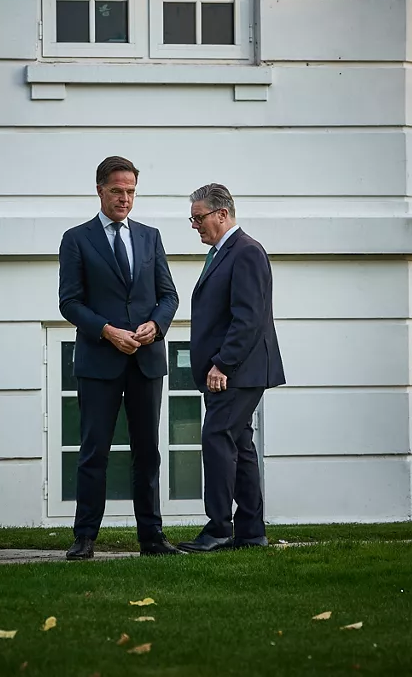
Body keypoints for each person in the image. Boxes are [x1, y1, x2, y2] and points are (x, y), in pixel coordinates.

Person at [58, 156, 182, 559]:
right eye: (117, 191)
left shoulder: (150, 236)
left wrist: (156, 326)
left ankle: (152, 538)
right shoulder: (76, 239)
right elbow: (69, 303)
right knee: (94, 451)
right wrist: (107, 331)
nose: (124, 198)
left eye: (130, 191)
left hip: (146, 361)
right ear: (100, 190)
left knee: (148, 452)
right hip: (99, 360)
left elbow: (169, 295)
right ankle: (84, 538)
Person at [178, 183, 285, 553]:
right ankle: (252, 533)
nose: (195, 225)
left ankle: (219, 527)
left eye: (199, 217)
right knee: (239, 444)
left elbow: (248, 318)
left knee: (217, 438)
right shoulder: (223, 252)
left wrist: (222, 363)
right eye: (192, 218)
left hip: (238, 370)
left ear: (222, 214)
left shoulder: (246, 252)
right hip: (234, 370)